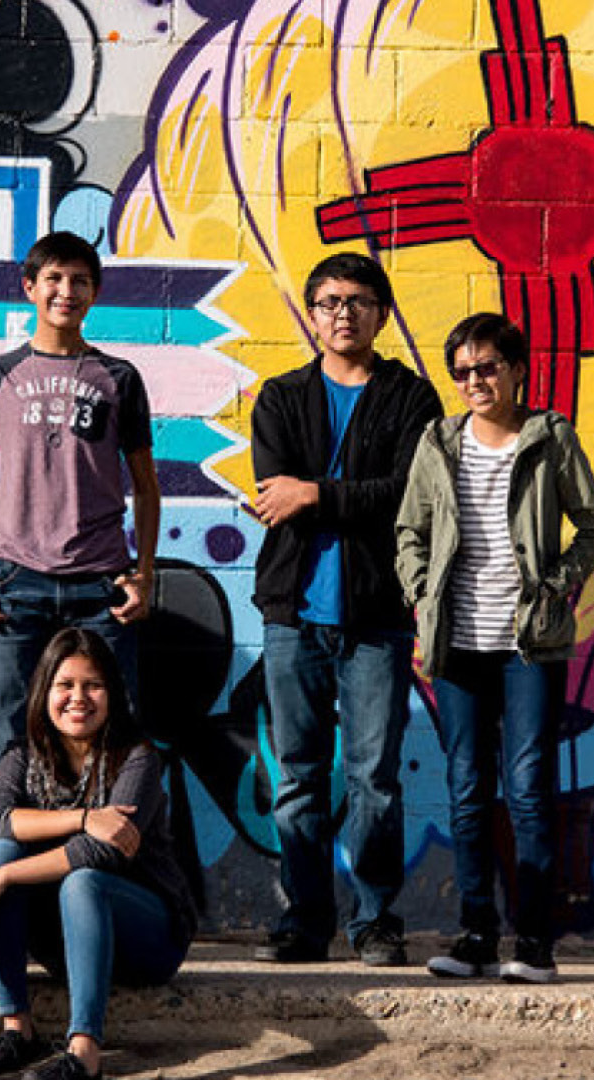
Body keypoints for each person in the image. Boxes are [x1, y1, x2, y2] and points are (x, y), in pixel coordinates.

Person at [396, 314, 594, 984]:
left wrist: (557, 584)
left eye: (487, 367)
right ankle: (474, 934)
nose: (474, 381)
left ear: (517, 369)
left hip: (528, 644)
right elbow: (410, 530)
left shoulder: (550, 439)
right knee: (466, 789)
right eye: (461, 371)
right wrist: (421, 591)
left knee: (526, 790)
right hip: (457, 643)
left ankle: (534, 942)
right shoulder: (438, 440)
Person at [248, 253, 442, 967]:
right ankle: (306, 921)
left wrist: (318, 495)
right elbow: (274, 491)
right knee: (297, 775)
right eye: (328, 300)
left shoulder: (411, 399)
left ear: (381, 313)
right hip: (292, 613)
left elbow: (409, 493)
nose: (343, 313)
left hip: (377, 617)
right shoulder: (280, 396)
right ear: (312, 312)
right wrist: (322, 494)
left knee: (374, 778)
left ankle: (374, 921)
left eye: (358, 300)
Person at [0, 231, 159, 764]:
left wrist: (145, 573)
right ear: (29, 287)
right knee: (12, 728)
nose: (66, 291)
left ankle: (104, 846)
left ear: (95, 293)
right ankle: (8, 843)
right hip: (16, 581)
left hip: (101, 581)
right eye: (54, 279)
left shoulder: (120, 378)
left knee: (113, 729)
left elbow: (145, 484)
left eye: (80, 281)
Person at [0, 628, 195, 1080]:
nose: (78, 698)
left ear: (112, 693)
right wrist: (85, 817)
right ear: (43, 691)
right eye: (64, 685)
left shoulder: (137, 759)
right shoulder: (22, 757)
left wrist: (8, 878)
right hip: (66, 943)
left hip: (149, 939)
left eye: (93, 686)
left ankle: (85, 1053)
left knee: (80, 879)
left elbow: (101, 853)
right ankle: (18, 1029)